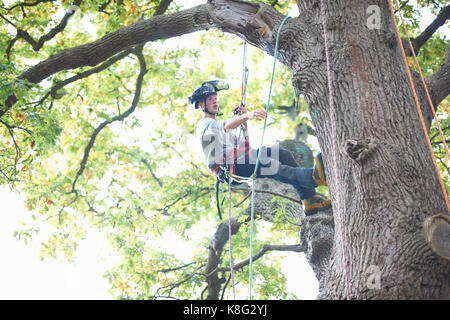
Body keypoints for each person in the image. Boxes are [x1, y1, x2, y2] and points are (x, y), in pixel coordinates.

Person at [189, 80, 331, 216]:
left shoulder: (224, 133)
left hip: (239, 161)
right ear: (201, 105)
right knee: (269, 165)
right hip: (229, 168)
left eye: (215, 98)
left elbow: (246, 149)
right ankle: (312, 177)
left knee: (283, 155)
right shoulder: (204, 124)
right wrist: (247, 116)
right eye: (210, 99)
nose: (215, 101)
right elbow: (226, 125)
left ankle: (309, 199)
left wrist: (245, 122)